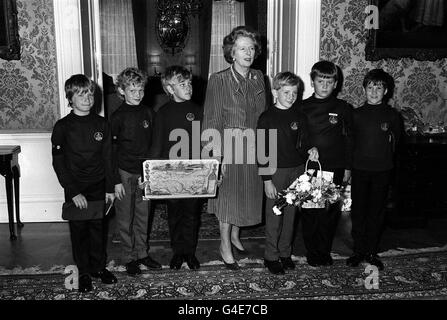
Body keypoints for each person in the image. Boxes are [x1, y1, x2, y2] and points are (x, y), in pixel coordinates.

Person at [201, 26, 268, 269]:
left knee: (247, 194)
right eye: (242, 48)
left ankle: (235, 235)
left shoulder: (259, 77)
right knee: (228, 199)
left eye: (251, 48)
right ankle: (224, 244)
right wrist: (217, 157)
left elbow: (266, 116)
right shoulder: (219, 80)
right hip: (229, 146)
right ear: (232, 52)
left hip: (254, 145)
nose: (248, 53)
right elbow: (211, 120)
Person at [51, 74, 118, 292]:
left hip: (98, 185)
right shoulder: (62, 127)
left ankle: (98, 267)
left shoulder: (102, 124)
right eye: (81, 94)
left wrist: (109, 188)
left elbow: (109, 158)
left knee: (98, 229)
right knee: (79, 232)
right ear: (70, 98)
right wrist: (72, 191)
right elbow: (59, 163)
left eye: (90, 93)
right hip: (76, 188)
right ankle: (84, 272)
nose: (87, 98)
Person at [257, 71, 319, 275]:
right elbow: (262, 151)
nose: (291, 96)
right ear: (276, 92)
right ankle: (271, 256)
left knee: (291, 215)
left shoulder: (300, 116)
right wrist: (267, 180)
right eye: (286, 92)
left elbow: (305, 142)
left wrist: (312, 149)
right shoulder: (267, 117)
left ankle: (285, 253)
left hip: (297, 171)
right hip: (275, 172)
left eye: (295, 92)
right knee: (275, 215)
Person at [297, 60, 353, 267]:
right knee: (312, 211)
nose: (325, 86)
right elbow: (298, 140)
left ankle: (323, 250)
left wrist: (347, 167)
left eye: (329, 82)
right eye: (320, 81)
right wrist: (306, 151)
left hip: (336, 168)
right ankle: (312, 251)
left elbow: (349, 139)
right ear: (312, 82)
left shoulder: (343, 108)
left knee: (329, 213)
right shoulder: (302, 107)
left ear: (336, 84)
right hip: (312, 170)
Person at [346, 69, 401, 271]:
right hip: (360, 170)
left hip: (382, 170)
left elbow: (396, 143)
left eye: (379, 87)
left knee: (376, 212)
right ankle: (358, 250)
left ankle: (371, 251)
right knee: (358, 211)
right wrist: (349, 169)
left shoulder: (392, 115)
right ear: (364, 90)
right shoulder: (356, 114)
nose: (374, 91)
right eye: (370, 87)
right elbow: (350, 142)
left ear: (385, 91)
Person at [149, 65, 203, 270]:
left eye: (189, 83)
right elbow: (157, 145)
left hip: (194, 172)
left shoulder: (198, 110)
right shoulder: (162, 113)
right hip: (171, 173)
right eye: (182, 84)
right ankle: (177, 252)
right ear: (170, 89)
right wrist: (154, 174)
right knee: (175, 214)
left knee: (191, 215)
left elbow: (204, 142)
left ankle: (189, 252)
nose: (188, 87)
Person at [111, 67, 161, 275]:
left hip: (144, 173)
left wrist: (149, 171)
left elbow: (154, 144)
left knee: (143, 215)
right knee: (125, 218)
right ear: (122, 91)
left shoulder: (148, 112)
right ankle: (128, 257)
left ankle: (142, 253)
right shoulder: (117, 117)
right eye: (132, 91)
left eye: (140, 90)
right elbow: (111, 151)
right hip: (123, 173)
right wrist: (115, 181)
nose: (138, 94)